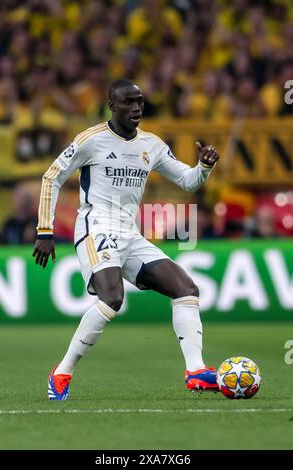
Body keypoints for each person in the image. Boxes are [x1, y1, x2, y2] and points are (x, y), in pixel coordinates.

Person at [32, 79, 220, 400]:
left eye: (140, 102)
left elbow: (187, 182)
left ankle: (196, 371)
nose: (136, 109)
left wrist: (203, 166)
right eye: (128, 103)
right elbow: (52, 176)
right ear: (112, 105)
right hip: (96, 226)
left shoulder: (152, 145)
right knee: (112, 299)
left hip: (130, 234)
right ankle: (61, 373)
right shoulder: (91, 140)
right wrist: (45, 230)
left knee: (186, 289)